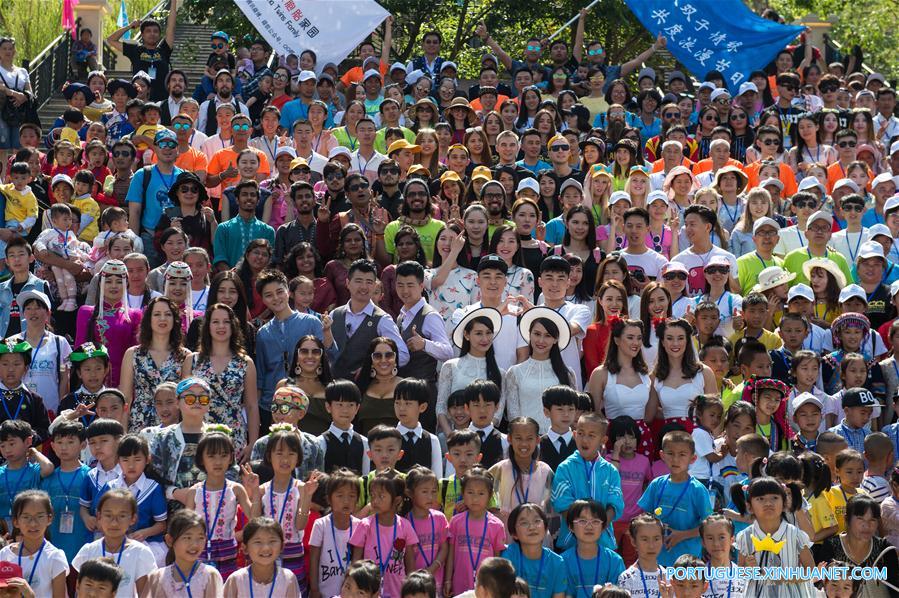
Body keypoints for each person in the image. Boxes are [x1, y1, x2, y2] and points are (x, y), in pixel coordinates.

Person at [182, 302, 259, 459]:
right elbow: (183, 402)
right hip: (198, 433)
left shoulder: (245, 362)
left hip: (233, 435)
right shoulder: (192, 360)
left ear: (233, 326)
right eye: (215, 322)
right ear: (207, 326)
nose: (221, 326)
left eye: (226, 322)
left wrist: (252, 443)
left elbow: (251, 406)